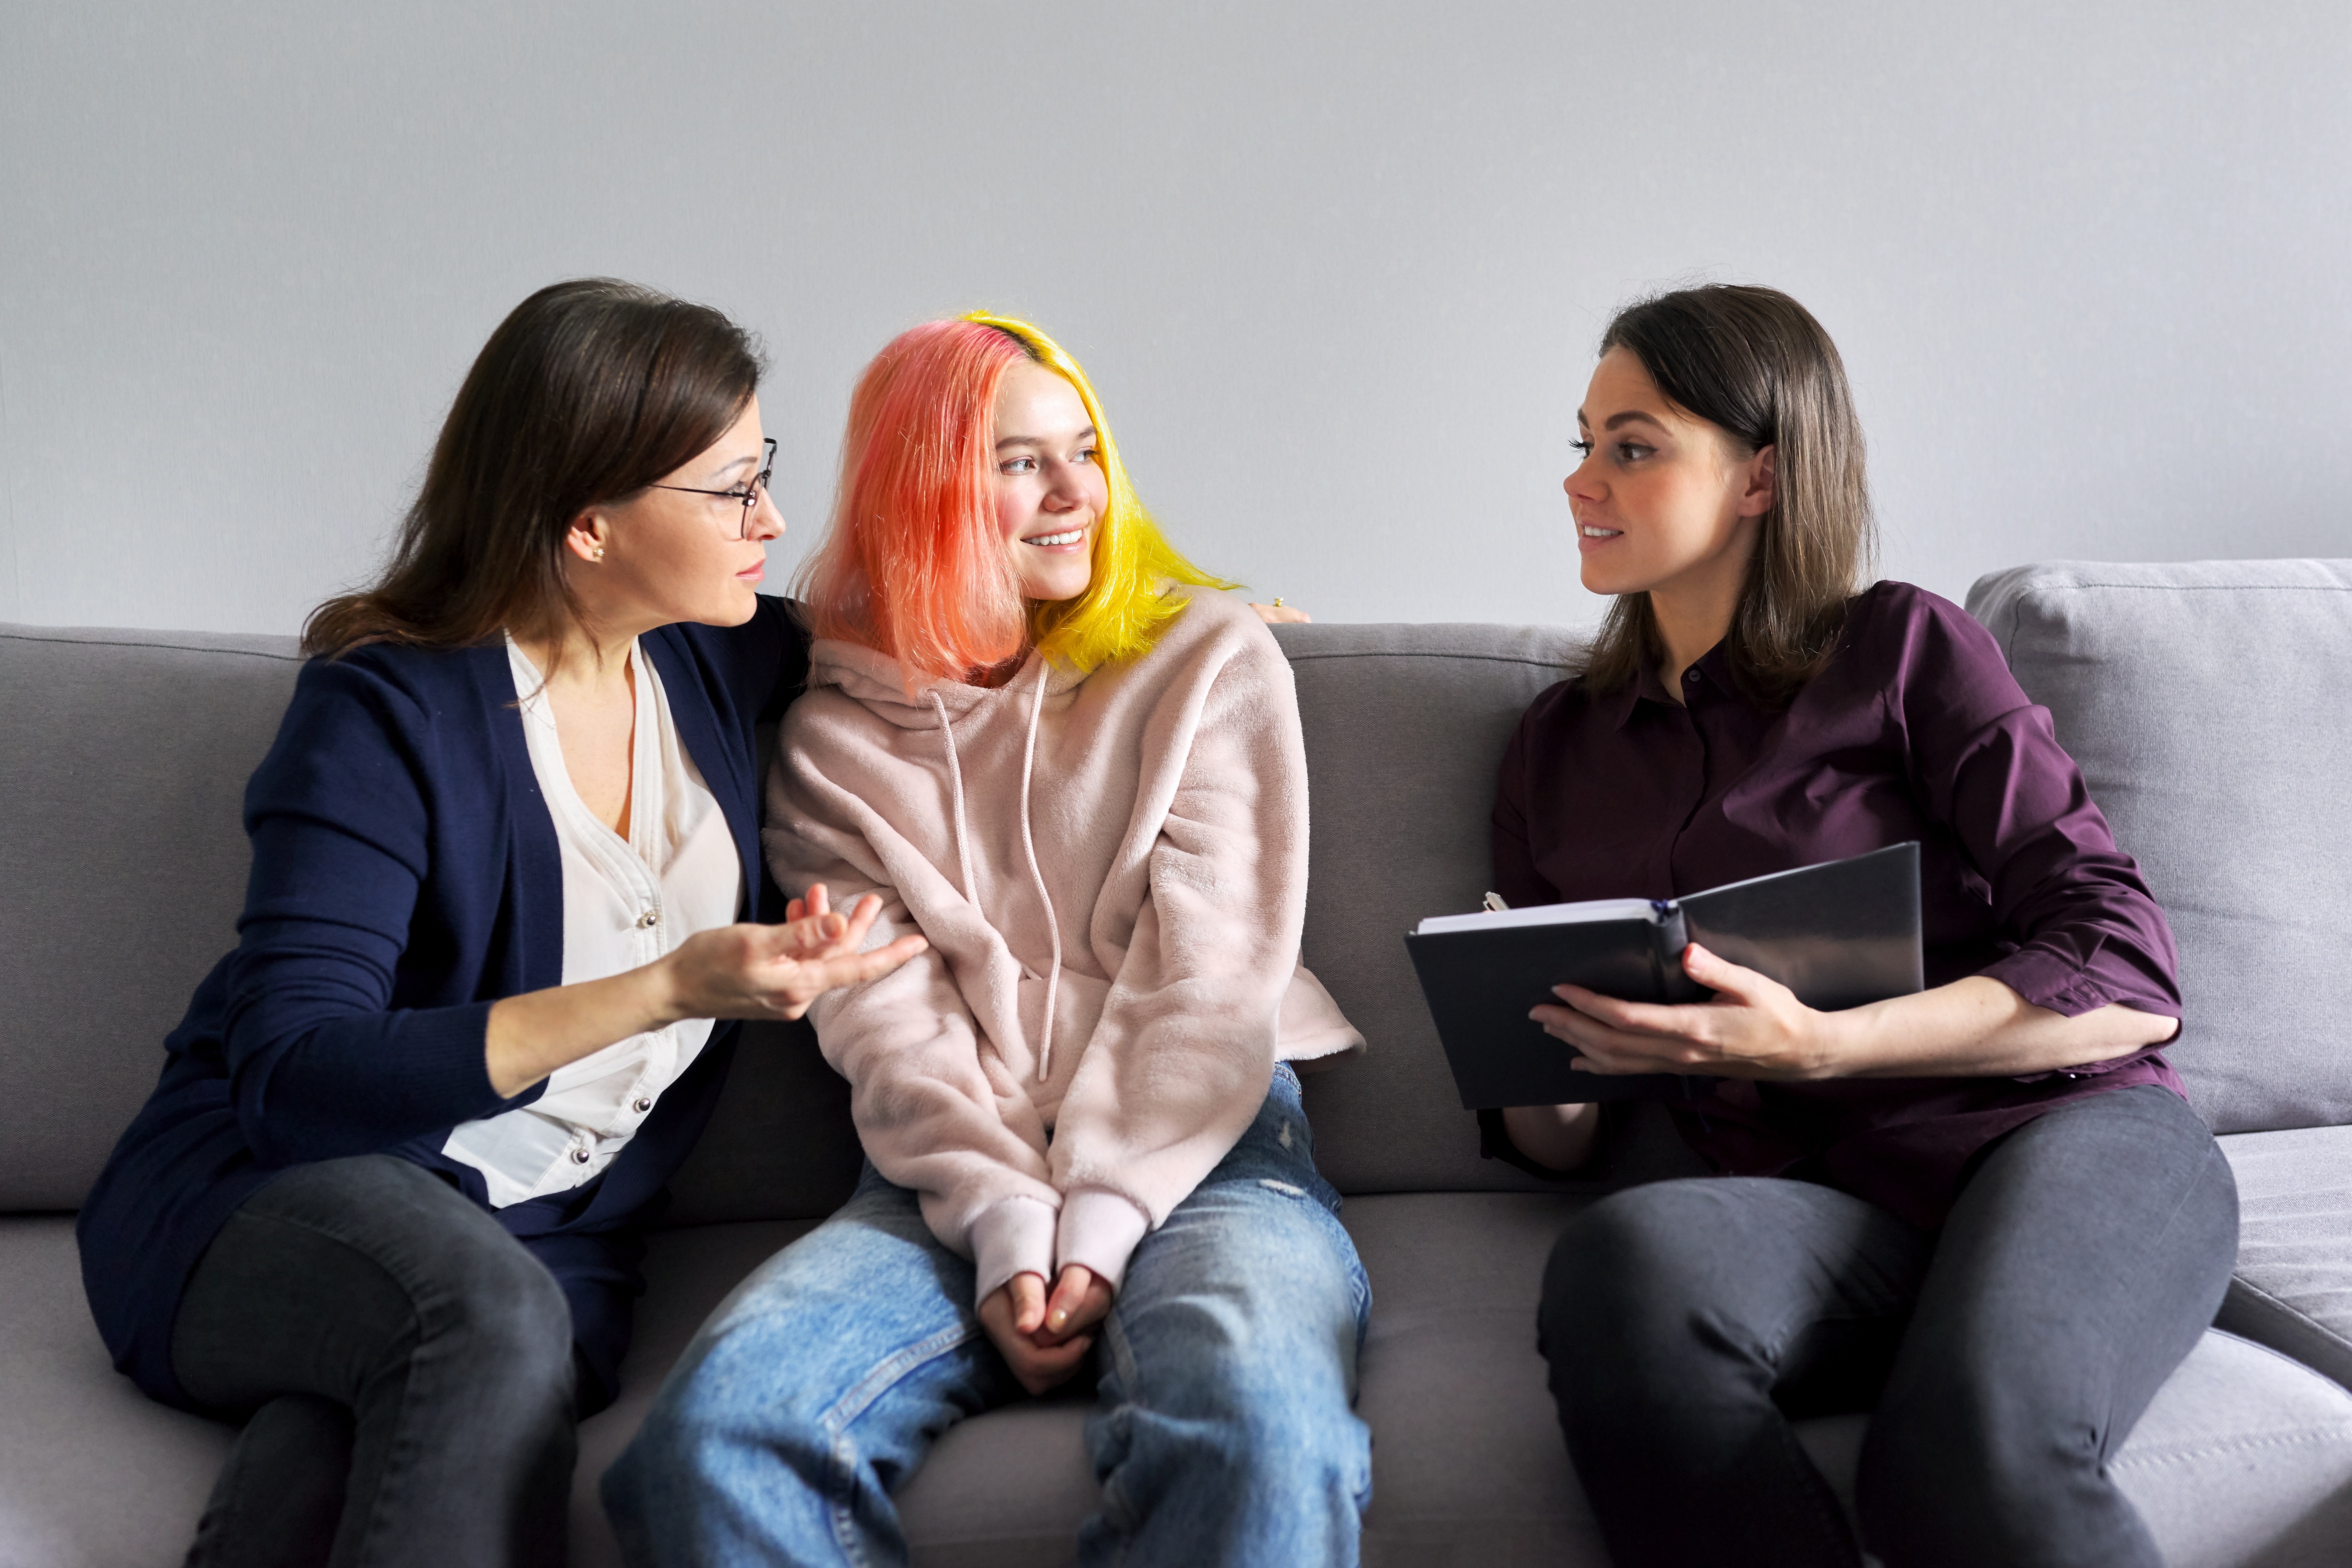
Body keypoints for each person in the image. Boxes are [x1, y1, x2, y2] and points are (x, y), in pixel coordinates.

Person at [75, 278, 928, 1568]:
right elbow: (292, 1080)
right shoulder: (385, 717)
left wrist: (1163, 634)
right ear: (591, 527)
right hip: (269, 1198)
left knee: (340, 1450)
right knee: (481, 1320)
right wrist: (667, 987)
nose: (774, 520)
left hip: (551, 1248)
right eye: (731, 489)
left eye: (765, 473)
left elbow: (936, 634)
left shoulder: (708, 651)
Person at [604, 314, 1372, 1567]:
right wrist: (1010, 1223)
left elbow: (1209, 978)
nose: (1080, 494)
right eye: (1021, 463)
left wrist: (1108, 1214)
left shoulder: (1206, 662)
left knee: (1264, 1438)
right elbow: (888, 1022)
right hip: (943, 1177)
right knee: (713, 1439)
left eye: (1085, 451)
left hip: (1213, 1142)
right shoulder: (828, 749)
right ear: (926, 493)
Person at [1488, 285, 2237, 1568]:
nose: (1582, 481)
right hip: (1825, 1204)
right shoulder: (1557, 748)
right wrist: (1538, 1045)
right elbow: (1561, 1147)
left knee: (1962, 1458)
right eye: (1583, 443)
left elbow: (2127, 970)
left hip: (2062, 1137)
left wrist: (1825, 1048)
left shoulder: (1903, 651)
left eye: (1633, 445)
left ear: (1761, 480)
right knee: (1623, 1266)